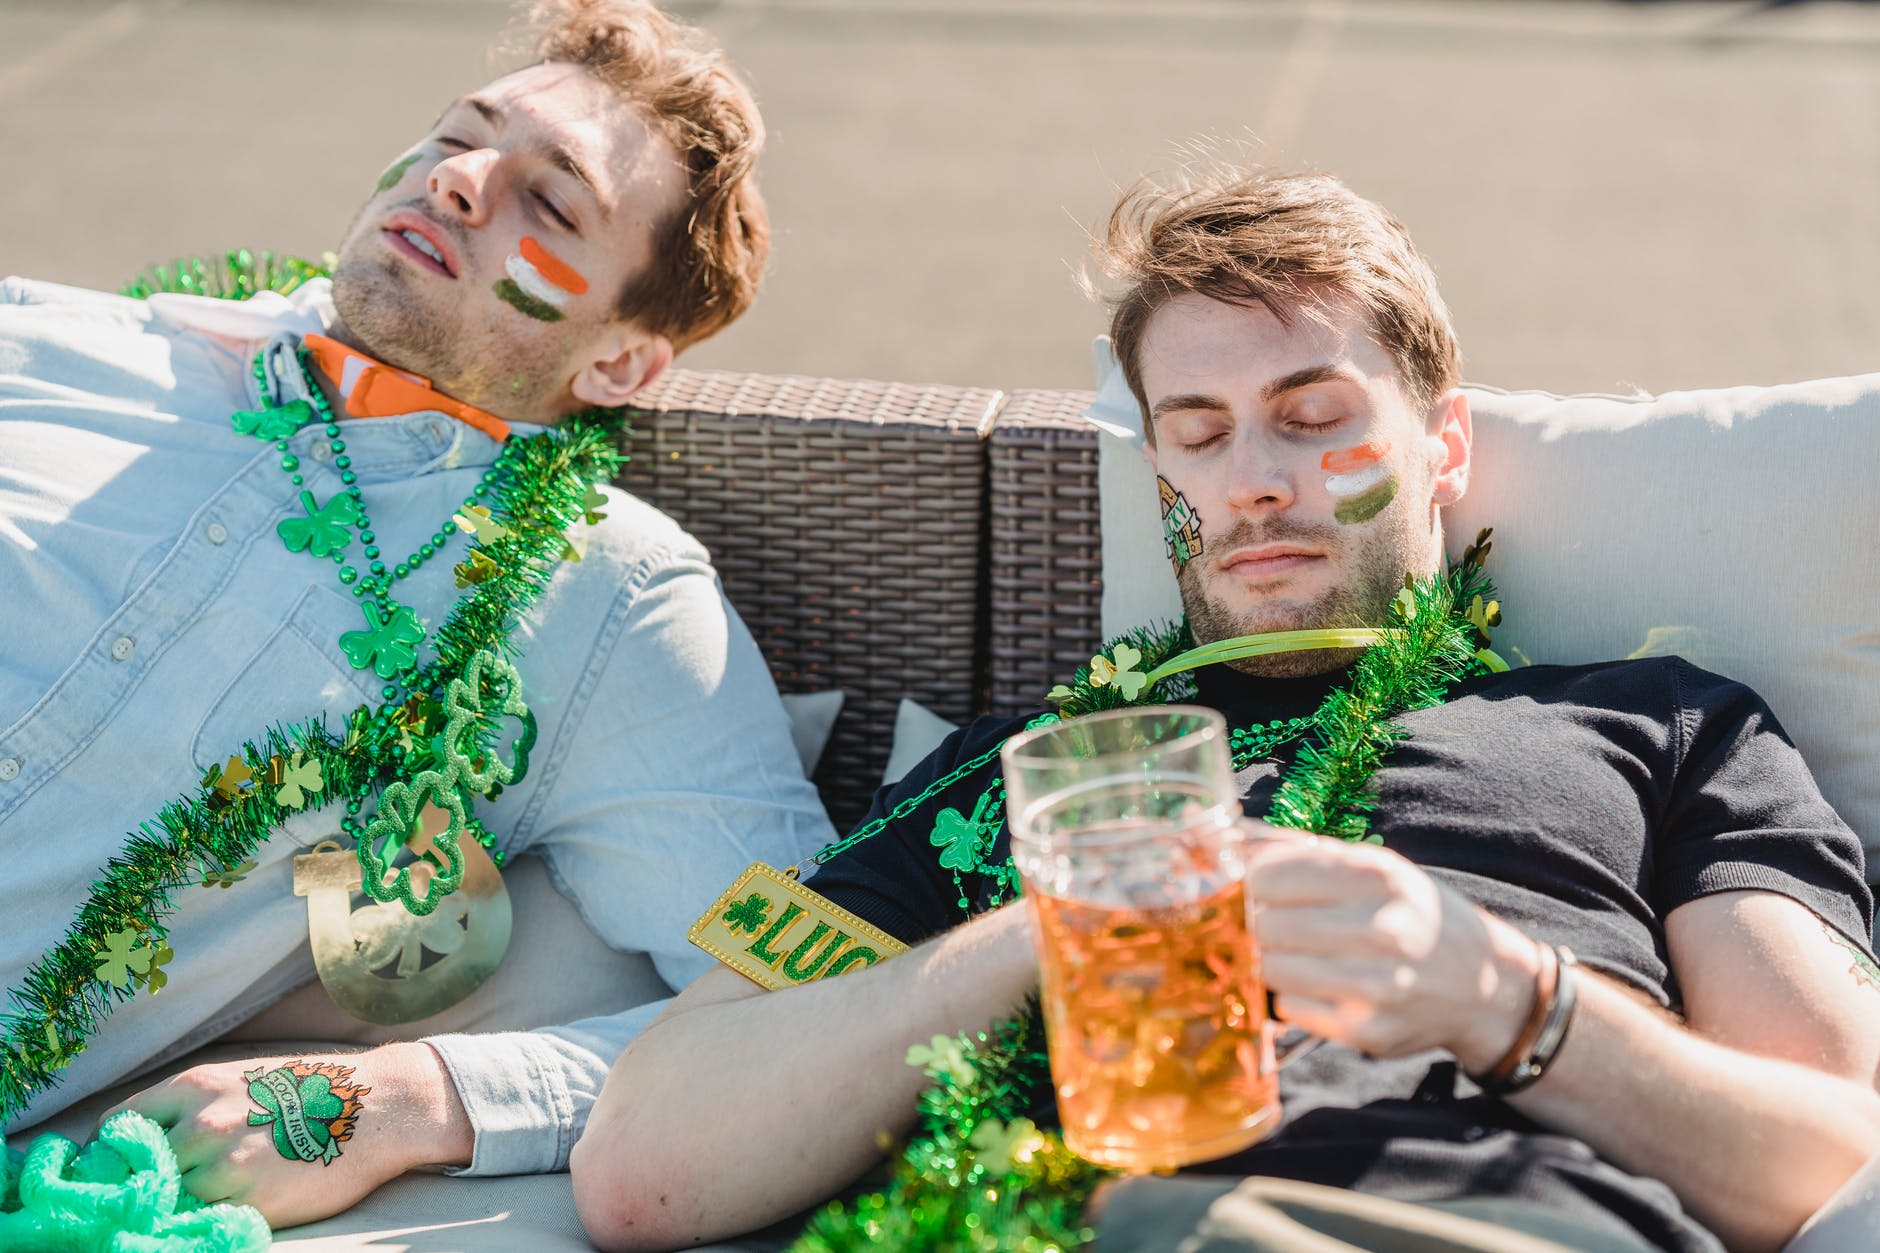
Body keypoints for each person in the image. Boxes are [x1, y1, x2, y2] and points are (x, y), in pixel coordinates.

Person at [569, 167, 1880, 1253]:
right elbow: (647, 1163)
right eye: (1196, 434)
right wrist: (1068, 927)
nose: (1252, 482)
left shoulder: (1659, 724)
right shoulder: (1017, 773)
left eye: (1314, 418)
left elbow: (1837, 1159)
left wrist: (1511, 1002)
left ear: (1446, 446)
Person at [0, 0, 834, 1231]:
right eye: (460, 136)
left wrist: (405, 1095)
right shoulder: (47, 343)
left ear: (618, 365)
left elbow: (811, 1005)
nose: (462, 182)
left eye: (551, 205)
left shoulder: (605, 601)